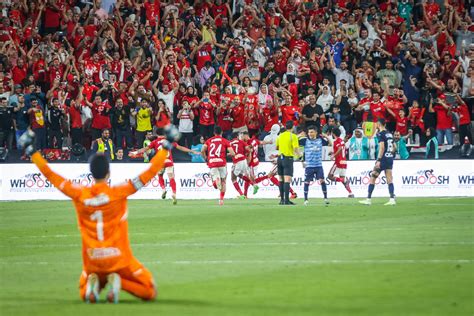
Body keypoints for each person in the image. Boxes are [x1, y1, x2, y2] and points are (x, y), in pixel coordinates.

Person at [17, 125, 179, 303]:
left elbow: (51, 175)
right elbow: (150, 172)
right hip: (119, 259)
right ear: (108, 173)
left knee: (83, 292)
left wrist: (32, 151)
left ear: (91, 174)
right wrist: (167, 146)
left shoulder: (79, 193)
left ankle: (94, 283)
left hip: (92, 260)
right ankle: (119, 281)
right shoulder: (119, 192)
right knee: (149, 291)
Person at [129, 129, 197, 205]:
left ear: (157, 134)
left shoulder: (154, 142)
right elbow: (180, 147)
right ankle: (174, 193)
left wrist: (135, 152)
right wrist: (191, 151)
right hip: (168, 161)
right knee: (171, 177)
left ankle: (163, 189)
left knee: (160, 175)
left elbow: (145, 149)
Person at [360, 119, 397, 206]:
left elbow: (382, 147)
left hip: (383, 158)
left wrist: (379, 160)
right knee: (389, 179)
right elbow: (395, 147)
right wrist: (391, 153)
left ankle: (368, 199)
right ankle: (392, 199)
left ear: (379, 124)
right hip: (389, 158)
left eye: (376, 123)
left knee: (373, 177)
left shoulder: (380, 134)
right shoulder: (389, 134)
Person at [201, 126, 235, 205]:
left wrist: (206, 158)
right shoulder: (225, 141)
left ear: (214, 133)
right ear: (222, 132)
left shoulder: (209, 141)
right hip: (222, 162)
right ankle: (221, 200)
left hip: (212, 162)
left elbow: (202, 150)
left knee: (215, 180)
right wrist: (227, 154)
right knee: (223, 181)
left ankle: (215, 181)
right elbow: (232, 153)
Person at [276, 120, 301, 205]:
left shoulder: (280, 136)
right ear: (293, 127)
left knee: (280, 179)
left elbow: (277, 147)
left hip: (279, 158)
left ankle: (282, 200)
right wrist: (300, 156)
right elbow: (295, 148)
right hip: (288, 159)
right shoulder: (293, 136)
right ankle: (286, 200)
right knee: (287, 179)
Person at [303, 126, 329, 206]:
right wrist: (302, 160)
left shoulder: (320, 140)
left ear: (316, 133)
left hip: (318, 165)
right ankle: (306, 199)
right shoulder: (305, 140)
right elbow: (294, 143)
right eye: (309, 132)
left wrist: (326, 136)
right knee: (307, 182)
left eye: (312, 132)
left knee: (322, 181)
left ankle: (325, 198)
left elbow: (330, 143)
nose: (310, 134)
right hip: (309, 166)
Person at [327, 128, 354, 197]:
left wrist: (333, 155)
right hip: (344, 162)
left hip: (338, 162)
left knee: (330, 176)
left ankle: (343, 179)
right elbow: (341, 148)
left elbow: (339, 149)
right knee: (342, 179)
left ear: (333, 133)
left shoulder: (336, 141)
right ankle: (350, 193)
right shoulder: (341, 141)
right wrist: (333, 152)